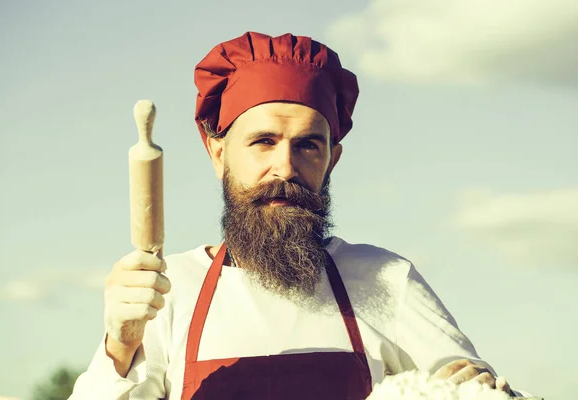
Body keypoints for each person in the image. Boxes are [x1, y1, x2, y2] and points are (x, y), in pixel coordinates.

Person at [70, 31, 528, 399]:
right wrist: (120, 346)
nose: (285, 168)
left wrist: (465, 381)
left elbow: (472, 386)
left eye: (309, 144)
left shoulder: (386, 279)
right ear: (217, 153)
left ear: (333, 158)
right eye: (263, 141)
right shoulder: (166, 292)